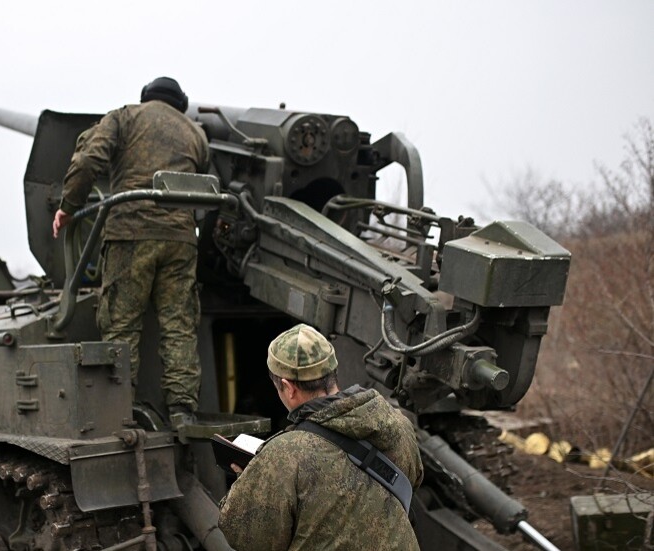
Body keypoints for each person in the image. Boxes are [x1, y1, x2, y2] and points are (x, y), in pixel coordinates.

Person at [51, 77, 210, 422]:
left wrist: (68, 206)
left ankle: (123, 406)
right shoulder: (196, 134)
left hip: (131, 232)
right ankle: (183, 410)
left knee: (121, 324)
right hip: (180, 239)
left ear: (145, 97)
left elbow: (89, 159)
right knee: (179, 325)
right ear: (180, 103)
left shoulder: (124, 117)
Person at [219, 324, 424, 551]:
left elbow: (249, 539)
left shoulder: (283, 455)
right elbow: (411, 481)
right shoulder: (398, 425)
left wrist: (247, 481)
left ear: (288, 388)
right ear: (332, 372)